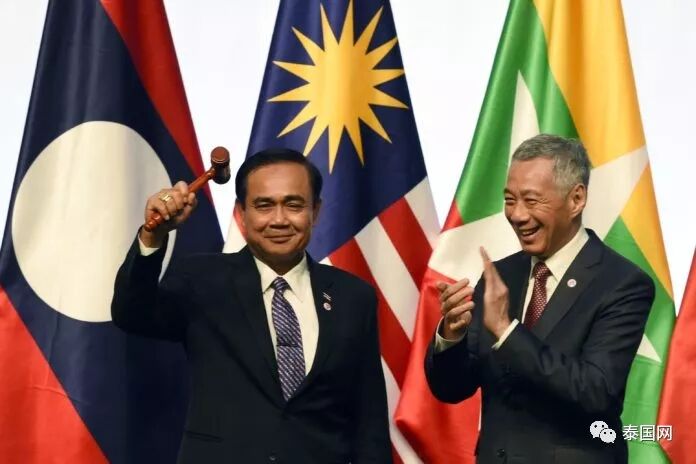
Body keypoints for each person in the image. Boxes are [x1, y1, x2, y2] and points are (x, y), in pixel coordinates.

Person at [112, 148, 392, 463]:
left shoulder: (354, 297)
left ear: (315, 211)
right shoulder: (201, 280)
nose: (279, 219)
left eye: (294, 205)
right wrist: (154, 235)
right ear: (242, 214)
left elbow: (369, 422)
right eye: (264, 205)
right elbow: (131, 314)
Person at [425, 134, 654, 464]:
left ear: (576, 199)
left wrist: (506, 332)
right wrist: (452, 334)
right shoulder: (500, 276)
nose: (517, 215)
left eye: (531, 201)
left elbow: (595, 391)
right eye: (509, 200)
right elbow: (451, 388)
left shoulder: (622, 283)